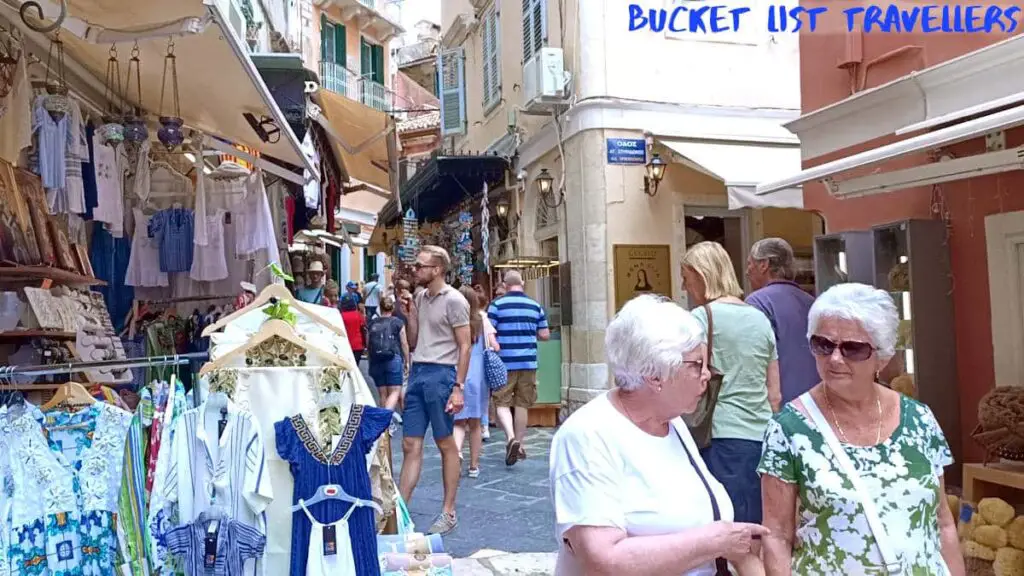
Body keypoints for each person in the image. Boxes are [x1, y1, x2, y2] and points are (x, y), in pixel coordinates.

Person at [550, 294, 767, 576]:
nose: (707, 375)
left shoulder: (672, 422)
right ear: (655, 375)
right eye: (696, 365)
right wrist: (714, 542)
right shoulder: (588, 435)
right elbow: (603, 558)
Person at [759, 283, 963, 575]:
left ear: (882, 357)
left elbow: (942, 522)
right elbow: (777, 536)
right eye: (823, 345)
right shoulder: (789, 429)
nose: (835, 358)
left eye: (853, 348)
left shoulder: (919, 419)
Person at [681, 241, 779, 525]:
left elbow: (688, 380)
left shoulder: (699, 319)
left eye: (687, 279)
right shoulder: (760, 319)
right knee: (755, 526)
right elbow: (775, 393)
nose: (686, 288)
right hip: (761, 436)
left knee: (724, 527)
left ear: (702, 275)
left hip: (719, 436)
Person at [398, 245, 471, 535]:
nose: (415, 270)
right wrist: (410, 315)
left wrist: (459, 388)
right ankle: (401, 511)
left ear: (437, 269)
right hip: (418, 372)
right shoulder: (420, 297)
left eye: (420, 266)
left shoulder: (454, 300)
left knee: (445, 444)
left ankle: (449, 511)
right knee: (409, 445)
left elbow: (465, 345)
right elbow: (415, 341)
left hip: (442, 375)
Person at [488, 270, 550, 467]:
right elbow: (545, 334)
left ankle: (510, 438)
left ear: (505, 285)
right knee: (523, 403)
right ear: (522, 283)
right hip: (528, 362)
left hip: (504, 363)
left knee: (502, 402)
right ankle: (520, 444)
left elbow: (489, 332)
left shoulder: (496, 305)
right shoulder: (535, 306)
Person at [745, 238, 818, 404]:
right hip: (814, 402)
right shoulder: (812, 302)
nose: (747, 271)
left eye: (750, 264)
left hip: (780, 404)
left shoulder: (757, 303)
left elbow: (754, 361)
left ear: (764, 265)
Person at [452, 286, 499, 479]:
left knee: (458, 421)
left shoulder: (454, 321)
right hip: (478, 376)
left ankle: (457, 453)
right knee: (476, 423)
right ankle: (474, 466)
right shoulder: (482, 320)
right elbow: (494, 344)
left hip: (458, 372)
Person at [367, 295, 410, 410]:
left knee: (382, 394)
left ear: (380, 309)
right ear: (392, 308)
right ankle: (385, 417)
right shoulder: (398, 323)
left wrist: (370, 359)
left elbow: (368, 343)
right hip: (393, 358)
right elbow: (404, 343)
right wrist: (407, 361)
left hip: (376, 359)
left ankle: (384, 425)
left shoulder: (372, 323)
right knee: (395, 392)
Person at [340, 294, 367, 364]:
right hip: (358, 346)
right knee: (355, 365)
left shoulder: (340, 316)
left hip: (344, 346)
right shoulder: (358, 315)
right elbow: (363, 330)